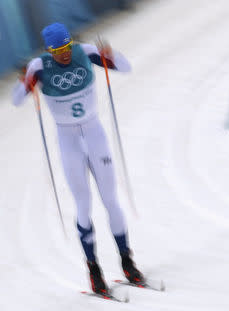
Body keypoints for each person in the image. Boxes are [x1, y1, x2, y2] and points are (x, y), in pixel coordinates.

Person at [12, 22, 144, 295]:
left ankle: (127, 262)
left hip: (95, 133)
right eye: (58, 50)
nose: (64, 54)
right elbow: (16, 100)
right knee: (83, 205)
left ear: (72, 42)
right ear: (49, 50)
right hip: (68, 140)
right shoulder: (40, 66)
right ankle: (94, 271)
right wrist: (25, 82)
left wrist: (110, 54)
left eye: (67, 46)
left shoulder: (84, 52)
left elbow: (126, 67)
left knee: (111, 200)